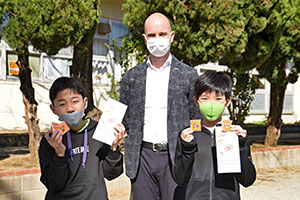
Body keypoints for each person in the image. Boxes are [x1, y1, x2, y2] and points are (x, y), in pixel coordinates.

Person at [119, 12, 201, 200]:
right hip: (142, 157)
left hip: (176, 155)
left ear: (171, 37)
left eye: (162, 34)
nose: (157, 40)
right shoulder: (131, 76)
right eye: (152, 35)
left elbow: (195, 116)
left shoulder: (188, 75)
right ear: (145, 38)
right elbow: (124, 118)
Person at [172, 71, 256, 200]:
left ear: (227, 102)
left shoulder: (234, 136)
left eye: (218, 99)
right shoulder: (188, 135)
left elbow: (247, 180)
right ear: (196, 101)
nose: (211, 104)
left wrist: (241, 146)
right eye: (205, 98)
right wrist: (187, 148)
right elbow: (179, 178)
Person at [39, 77, 125, 200]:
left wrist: (113, 148)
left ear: (85, 103)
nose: (70, 109)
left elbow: (112, 173)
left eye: (75, 101)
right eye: (62, 104)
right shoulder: (51, 139)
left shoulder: (100, 131)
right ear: (53, 109)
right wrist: (59, 153)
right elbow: (54, 185)